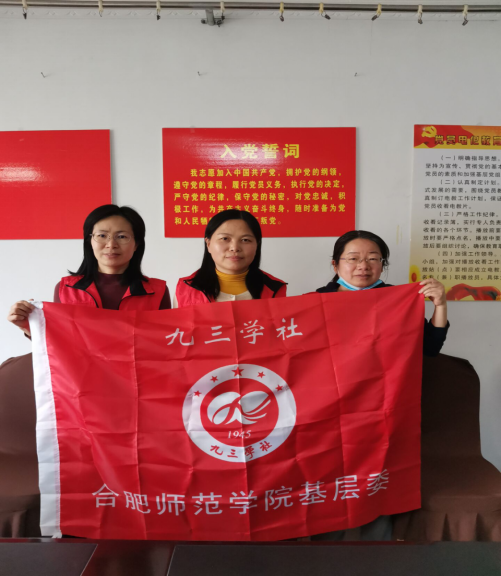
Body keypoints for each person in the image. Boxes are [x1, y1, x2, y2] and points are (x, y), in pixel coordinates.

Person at [7, 204, 170, 338]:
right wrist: (28, 326)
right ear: (90, 241)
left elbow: (165, 343)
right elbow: (60, 341)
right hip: (80, 370)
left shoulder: (157, 292)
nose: (111, 244)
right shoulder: (67, 289)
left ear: (136, 244)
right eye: (102, 236)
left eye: (121, 237)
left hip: (139, 369)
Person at [315, 229, 449, 357]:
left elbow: (430, 348)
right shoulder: (315, 302)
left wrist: (440, 306)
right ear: (335, 265)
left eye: (373, 259)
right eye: (353, 258)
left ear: (382, 265)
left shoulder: (398, 300)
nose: (363, 266)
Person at [175, 209, 286, 307]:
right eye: (225, 238)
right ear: (208, 244)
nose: (235, 248)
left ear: (257, 245)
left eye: (245, 240)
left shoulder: (275, 289)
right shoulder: (185, 289)